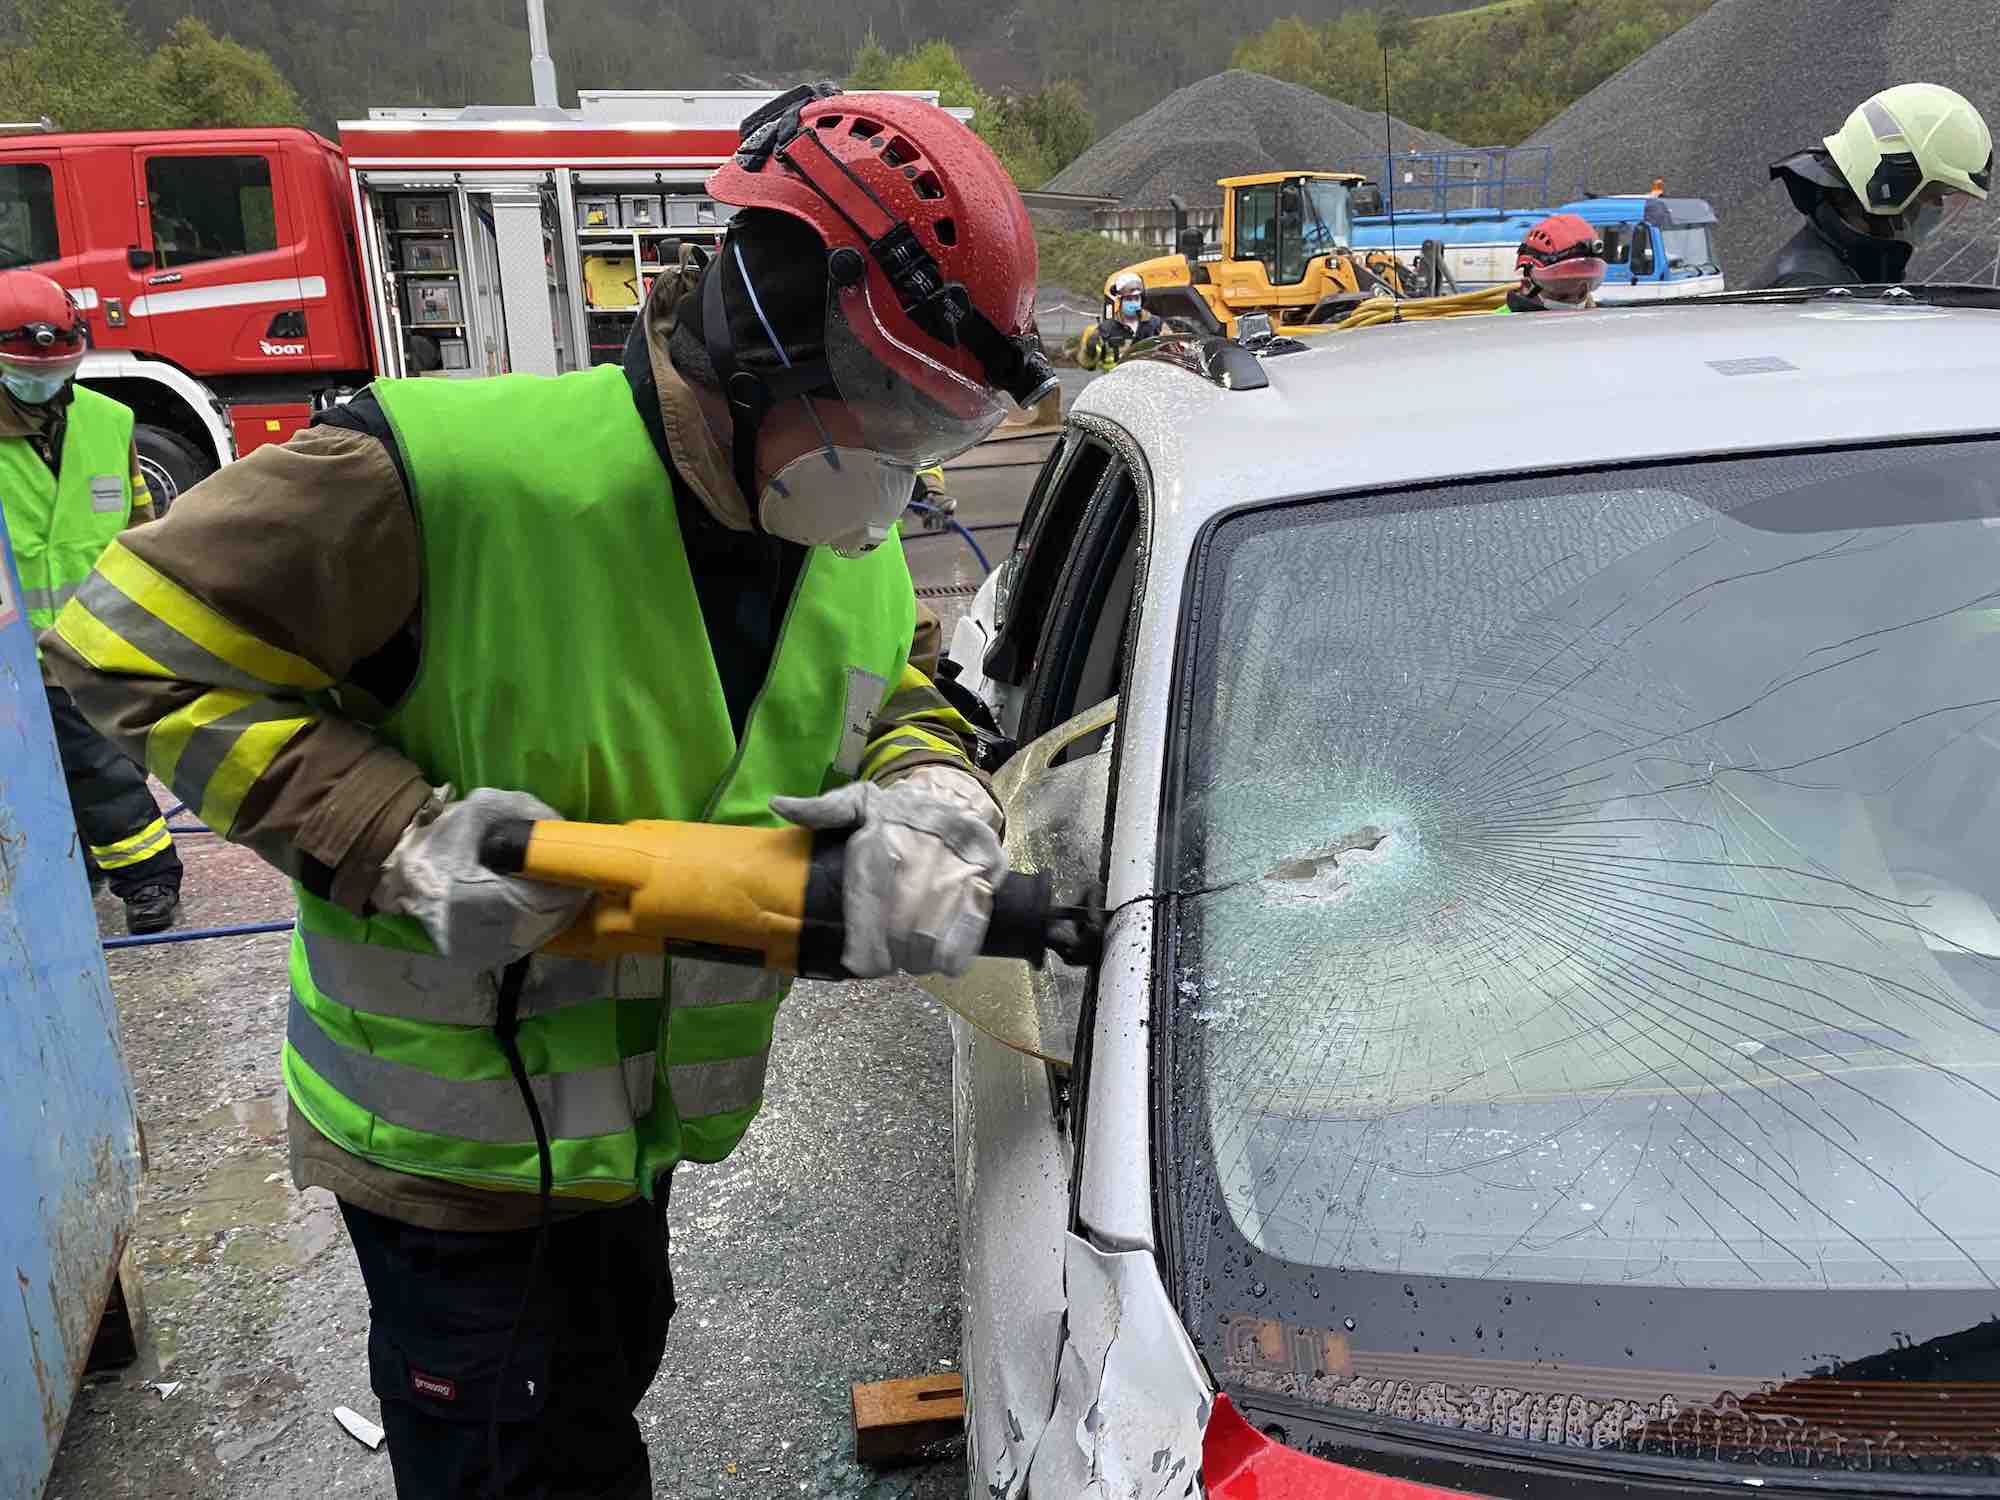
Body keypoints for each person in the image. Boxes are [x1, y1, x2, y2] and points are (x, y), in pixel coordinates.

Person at [44, 86, 1055, 1499]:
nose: (897, 459)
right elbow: (120, 645)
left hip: (622, 1149)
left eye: (929, 425)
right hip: (449, 1165)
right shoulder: (448, 477)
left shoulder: (843, 543)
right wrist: (393, 841)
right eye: (884, 400)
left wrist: (929, 787)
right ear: (766, 319)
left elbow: (885, 685)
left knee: (591, 1414)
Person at [0, 269, 181, 934]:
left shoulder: (111, 422)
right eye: (24, 369)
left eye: (58, 364)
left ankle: (118, 871)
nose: (43, 380)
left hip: (105, 636)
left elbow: (138, 523)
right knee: (88, 766)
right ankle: (142, 876)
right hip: (25, 654)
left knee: (109, 760)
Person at [1762, 83, 1991, 289]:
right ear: (1889, 184)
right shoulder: (1815, 290)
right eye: (1935, 193)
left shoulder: (1856, 266)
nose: (1938, 207)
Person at [1497, 213, 1608, 313]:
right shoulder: (1501, 328)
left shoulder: (1599, 323)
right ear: (1527, 284)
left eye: (1583, 290)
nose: (1576, 300)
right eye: (1563, 291)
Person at [1078, 270, 1165, 369]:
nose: (1133, 302)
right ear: (1120, 300)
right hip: (1115, 383)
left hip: (1147, 382)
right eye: (1128, 299)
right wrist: (1089, 351)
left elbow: (1174, 354)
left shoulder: (1157, 325)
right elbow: (1087, 365)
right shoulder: (1105, 330)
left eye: (1136, 298)